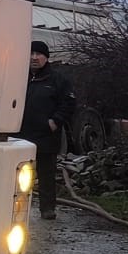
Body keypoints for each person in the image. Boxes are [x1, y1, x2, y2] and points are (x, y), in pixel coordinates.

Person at [18, 41, 77, 219]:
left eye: (39, 54)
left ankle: (47, 209)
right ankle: (15, 209)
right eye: (31, 53)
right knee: (18, 174)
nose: (34, 57)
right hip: (20, 134)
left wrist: (54, 122)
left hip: (45, 135)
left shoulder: (57, 80)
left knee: (46, 174)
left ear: (46, 57)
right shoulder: (19, 77)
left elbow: (69, 102)